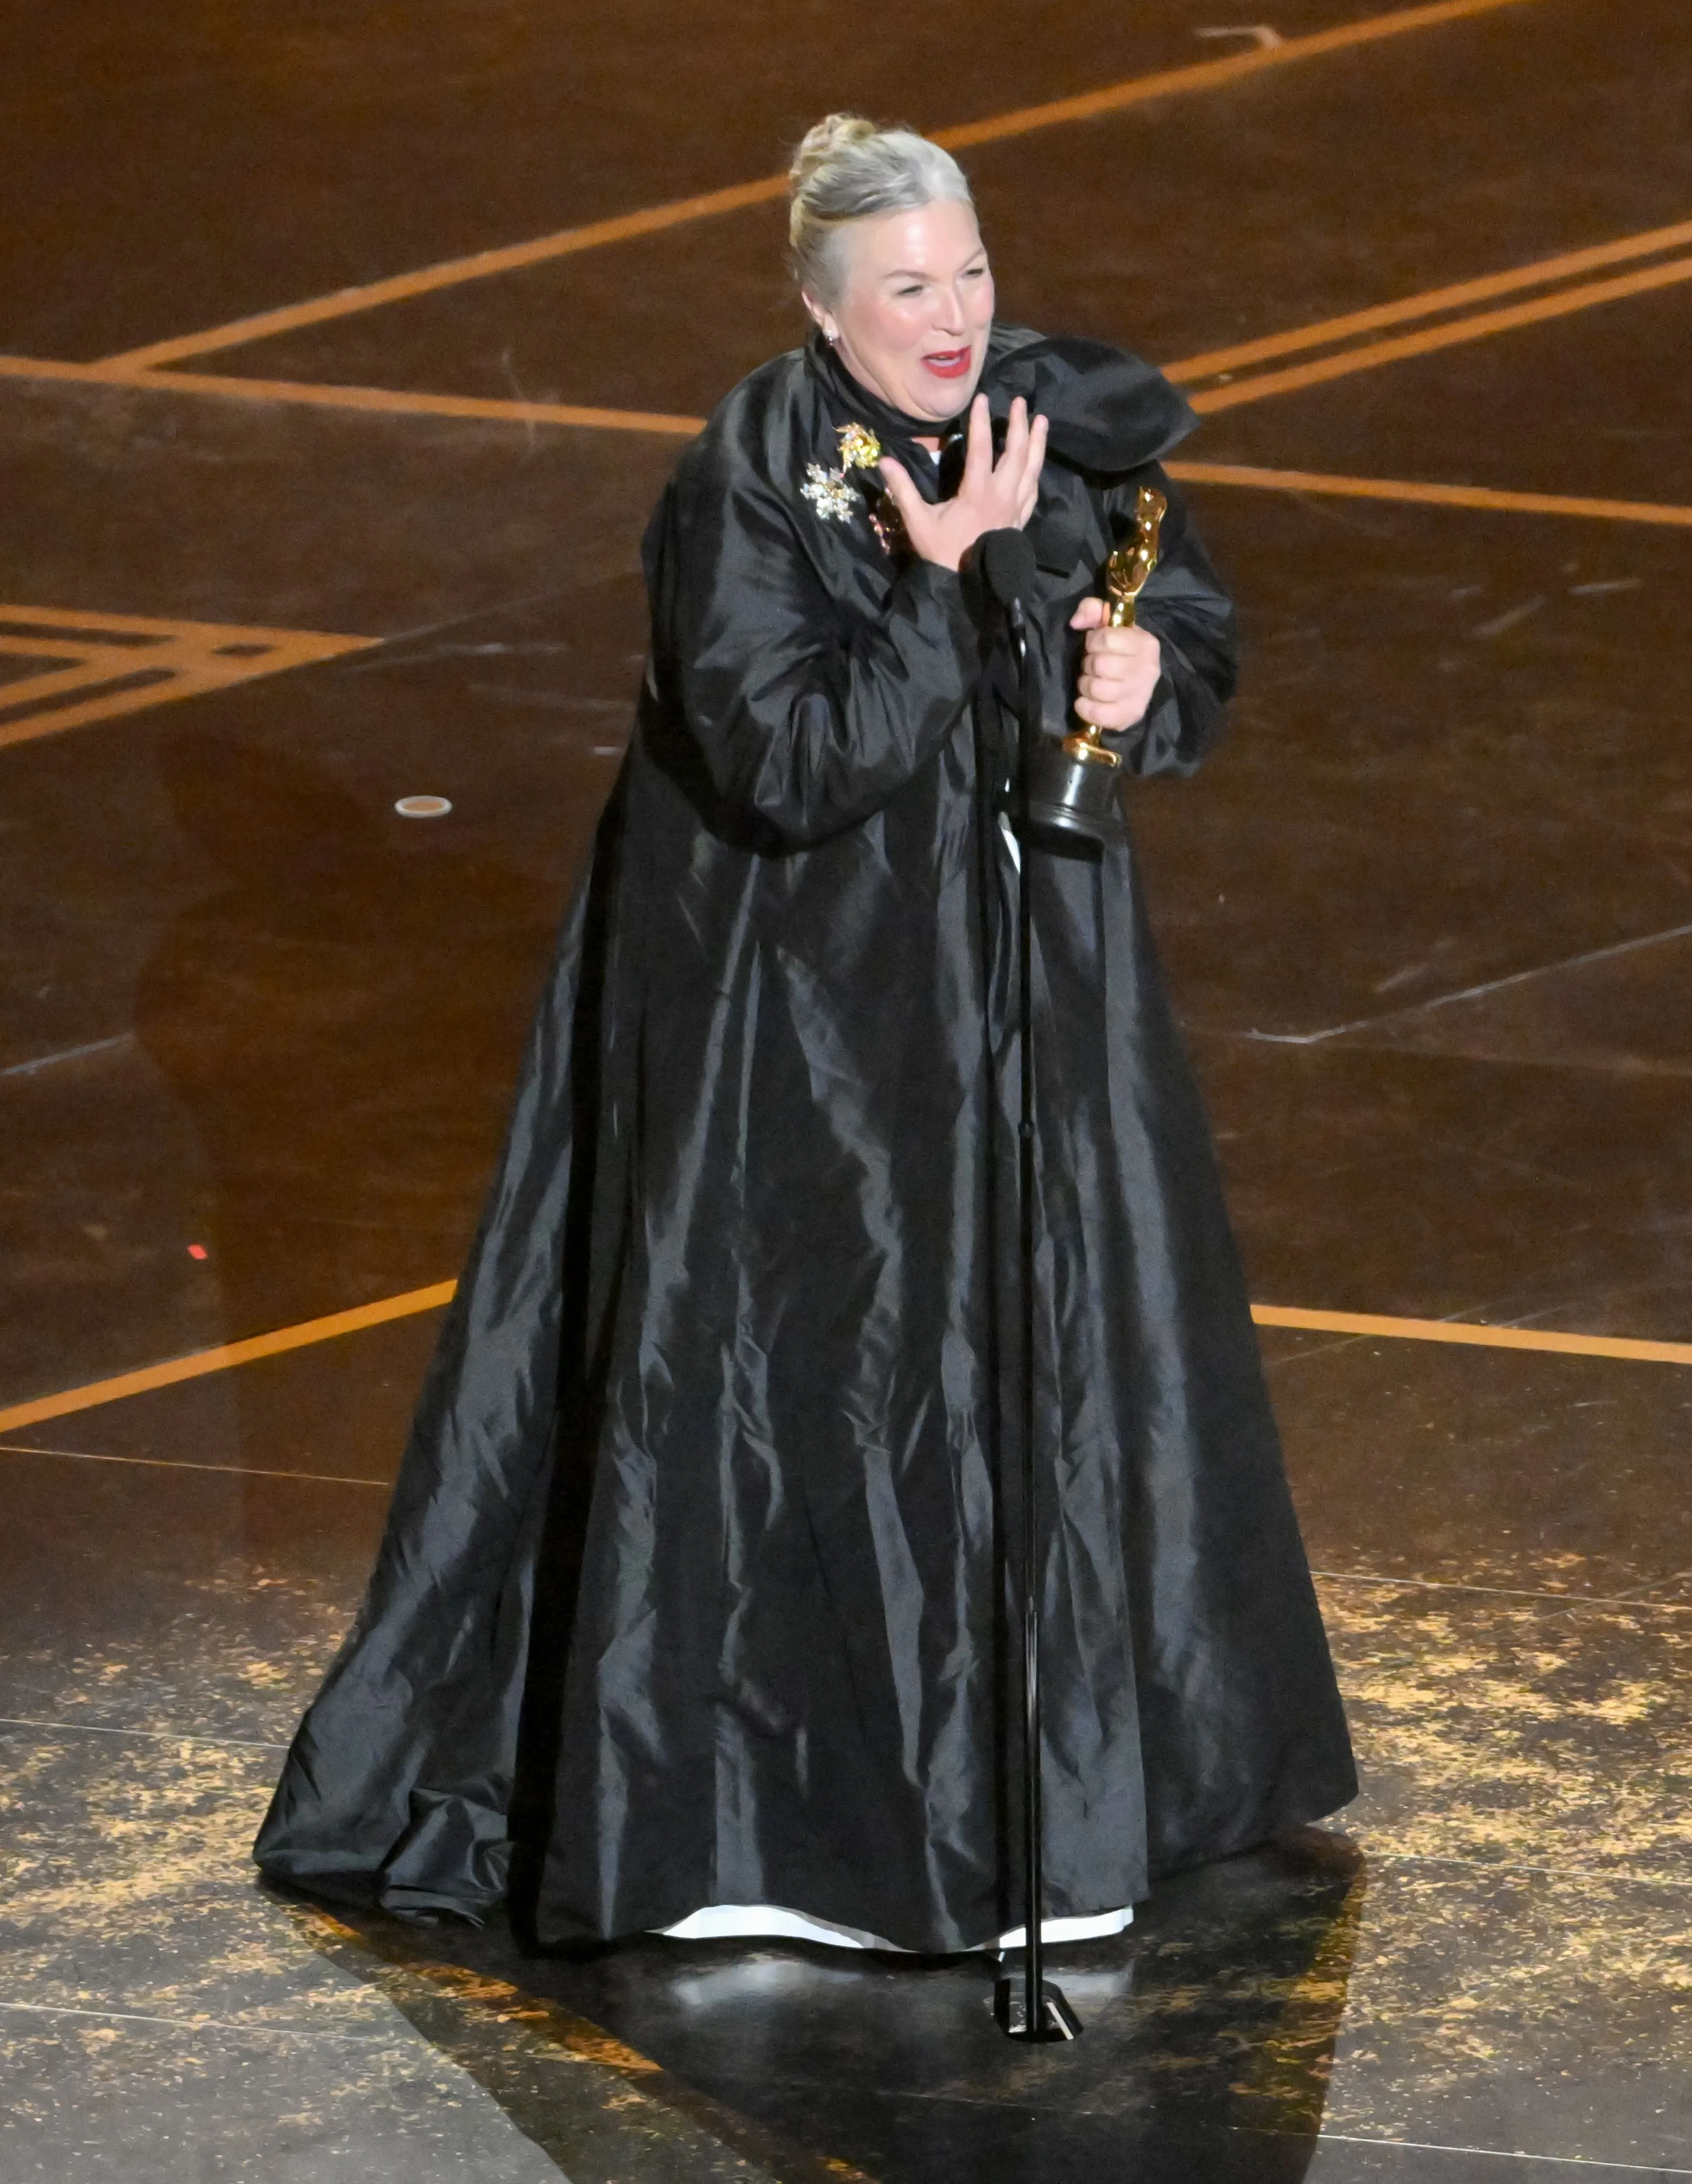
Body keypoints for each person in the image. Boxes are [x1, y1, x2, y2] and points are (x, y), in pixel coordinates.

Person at [256, 116, 1354, 1951]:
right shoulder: (750, 476)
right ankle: (784, 1826)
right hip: (810, 1029)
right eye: (908, 290)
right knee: (832, 1383)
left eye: (971, 273)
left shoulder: (1041, 422)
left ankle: (1060, 1794)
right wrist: (941, 582)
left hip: (1029, 988)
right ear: (822, 310)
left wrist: (1149, 674)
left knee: (1039, 1353)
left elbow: (1178, 609)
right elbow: (786, 761)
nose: (955, 318)